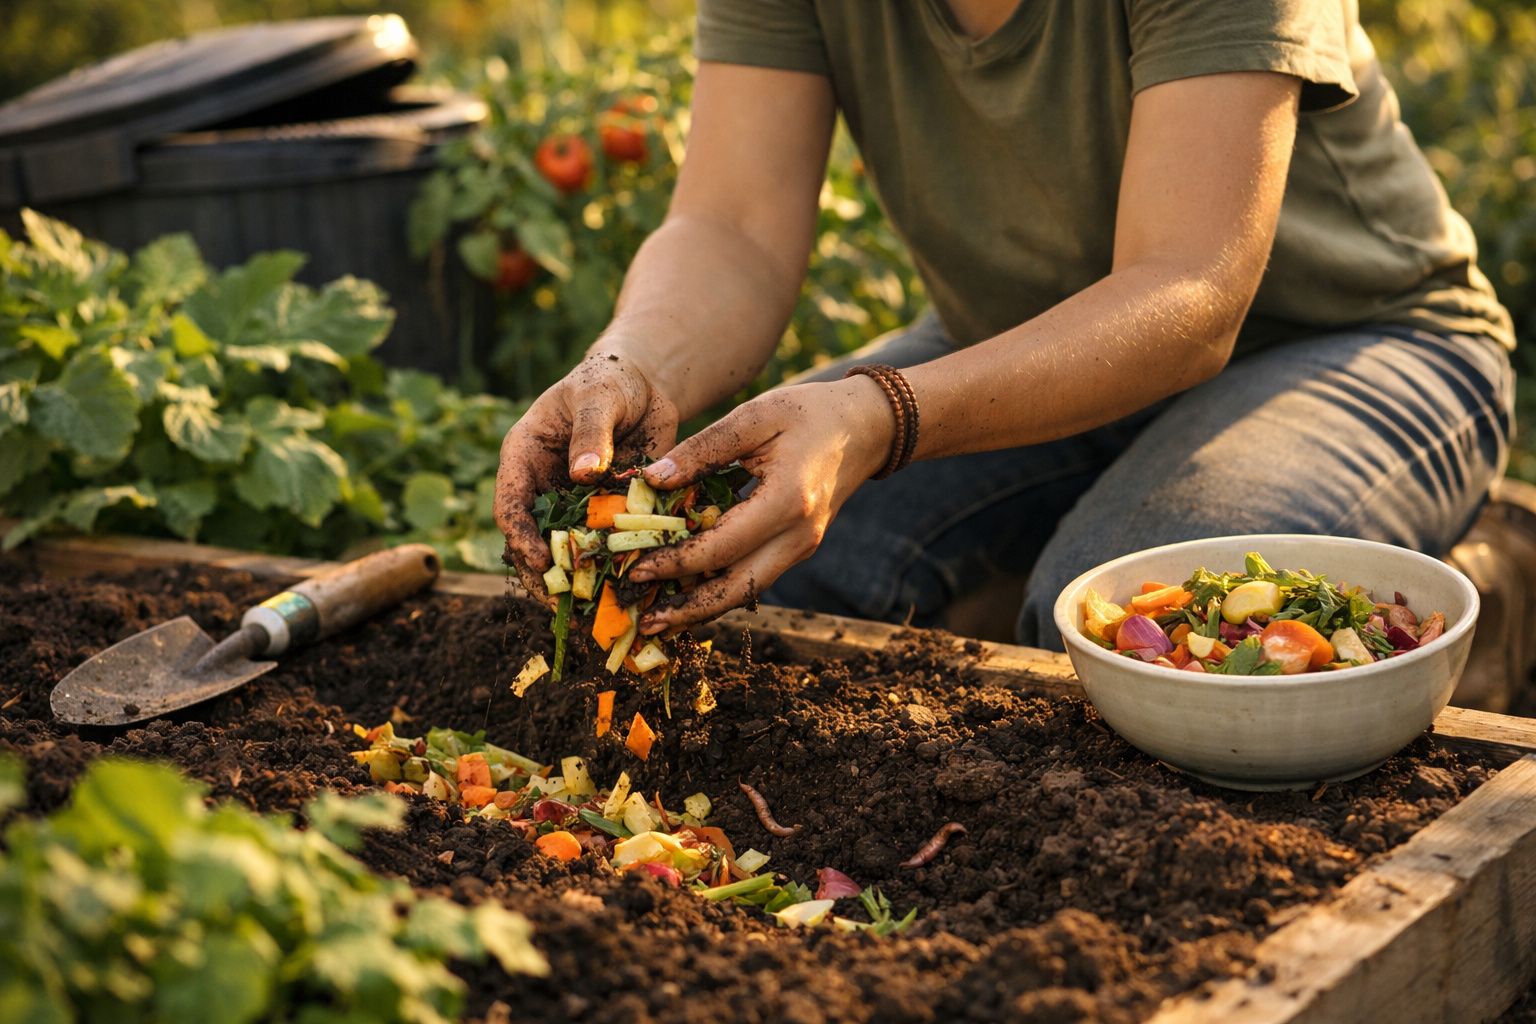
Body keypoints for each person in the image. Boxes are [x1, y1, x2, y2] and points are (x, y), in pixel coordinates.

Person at [495, 0, 1516, 652]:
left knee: (1125, 619)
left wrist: (881, 415)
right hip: (1031, 346)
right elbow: (732, 228)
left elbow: (1189, 292)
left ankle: (1481, 599)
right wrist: (630, 364)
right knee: (735, 572)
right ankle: (1030, 587)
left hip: (1360, 344)